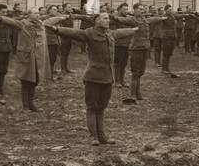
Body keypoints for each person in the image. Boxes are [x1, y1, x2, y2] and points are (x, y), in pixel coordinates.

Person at [49, 11, 139, 144]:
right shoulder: (89, 33)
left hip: (108, 77)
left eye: (108, 18)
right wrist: (57, 29)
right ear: (97, 21)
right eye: (105, 18)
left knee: (102, 107)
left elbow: (121, 32)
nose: (108, 20)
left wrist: (134, 29)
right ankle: (93, 137)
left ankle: (102, 136)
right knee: (92, 107)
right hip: (93, 77)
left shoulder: (110, 34)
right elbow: (74, 33)